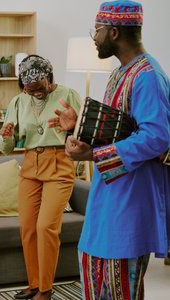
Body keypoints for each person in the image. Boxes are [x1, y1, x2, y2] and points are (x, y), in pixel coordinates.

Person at [48, 1, 170, 299]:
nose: (94, 37)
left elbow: (156, 137)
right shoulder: (119, 73)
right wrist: (78, 127)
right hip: (106, 201)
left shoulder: (147, 76)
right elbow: (117, 130)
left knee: (120, 290)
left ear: (114, 32)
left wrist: (93, 155)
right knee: (95, 285)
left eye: (98, 30)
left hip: (129, 203)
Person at [0, 55, 82, 300]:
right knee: (28, 228)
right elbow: (7, 147)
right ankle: (33, 284)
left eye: (38, 87)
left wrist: (72, 128)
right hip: (30, 164)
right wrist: (5, 135)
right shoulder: (19, 101)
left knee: (46, 227)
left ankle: (45, 289)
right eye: (28, 88)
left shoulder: (69, 94)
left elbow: (81, 131)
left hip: (59, 163)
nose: (33, 92)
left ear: (48, 76)